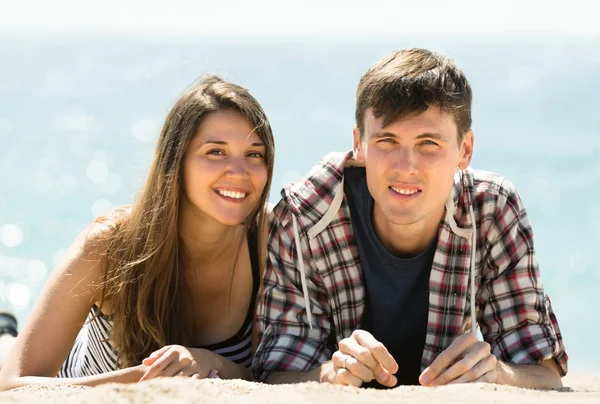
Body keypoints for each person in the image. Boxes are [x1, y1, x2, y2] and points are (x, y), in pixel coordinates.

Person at [252, 48, 567, 389]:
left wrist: (495, 373)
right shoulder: (304, 214)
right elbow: (274, 372)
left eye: (428, 143)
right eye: (387, 140)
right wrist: (329, 373)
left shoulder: (491, 208)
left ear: (465, 149)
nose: (406, 168)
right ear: (359, 144)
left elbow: (543, 371)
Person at [0, 74, 275, 390]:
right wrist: (145, 381)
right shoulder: (108, 246)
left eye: (255, 154)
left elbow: (270, 375)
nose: (240, 172)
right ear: (176, 160)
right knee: (6, 348)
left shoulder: (268, 238)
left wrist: (211, 364)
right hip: (73, 377)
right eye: (216, 151)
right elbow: (11, 386)